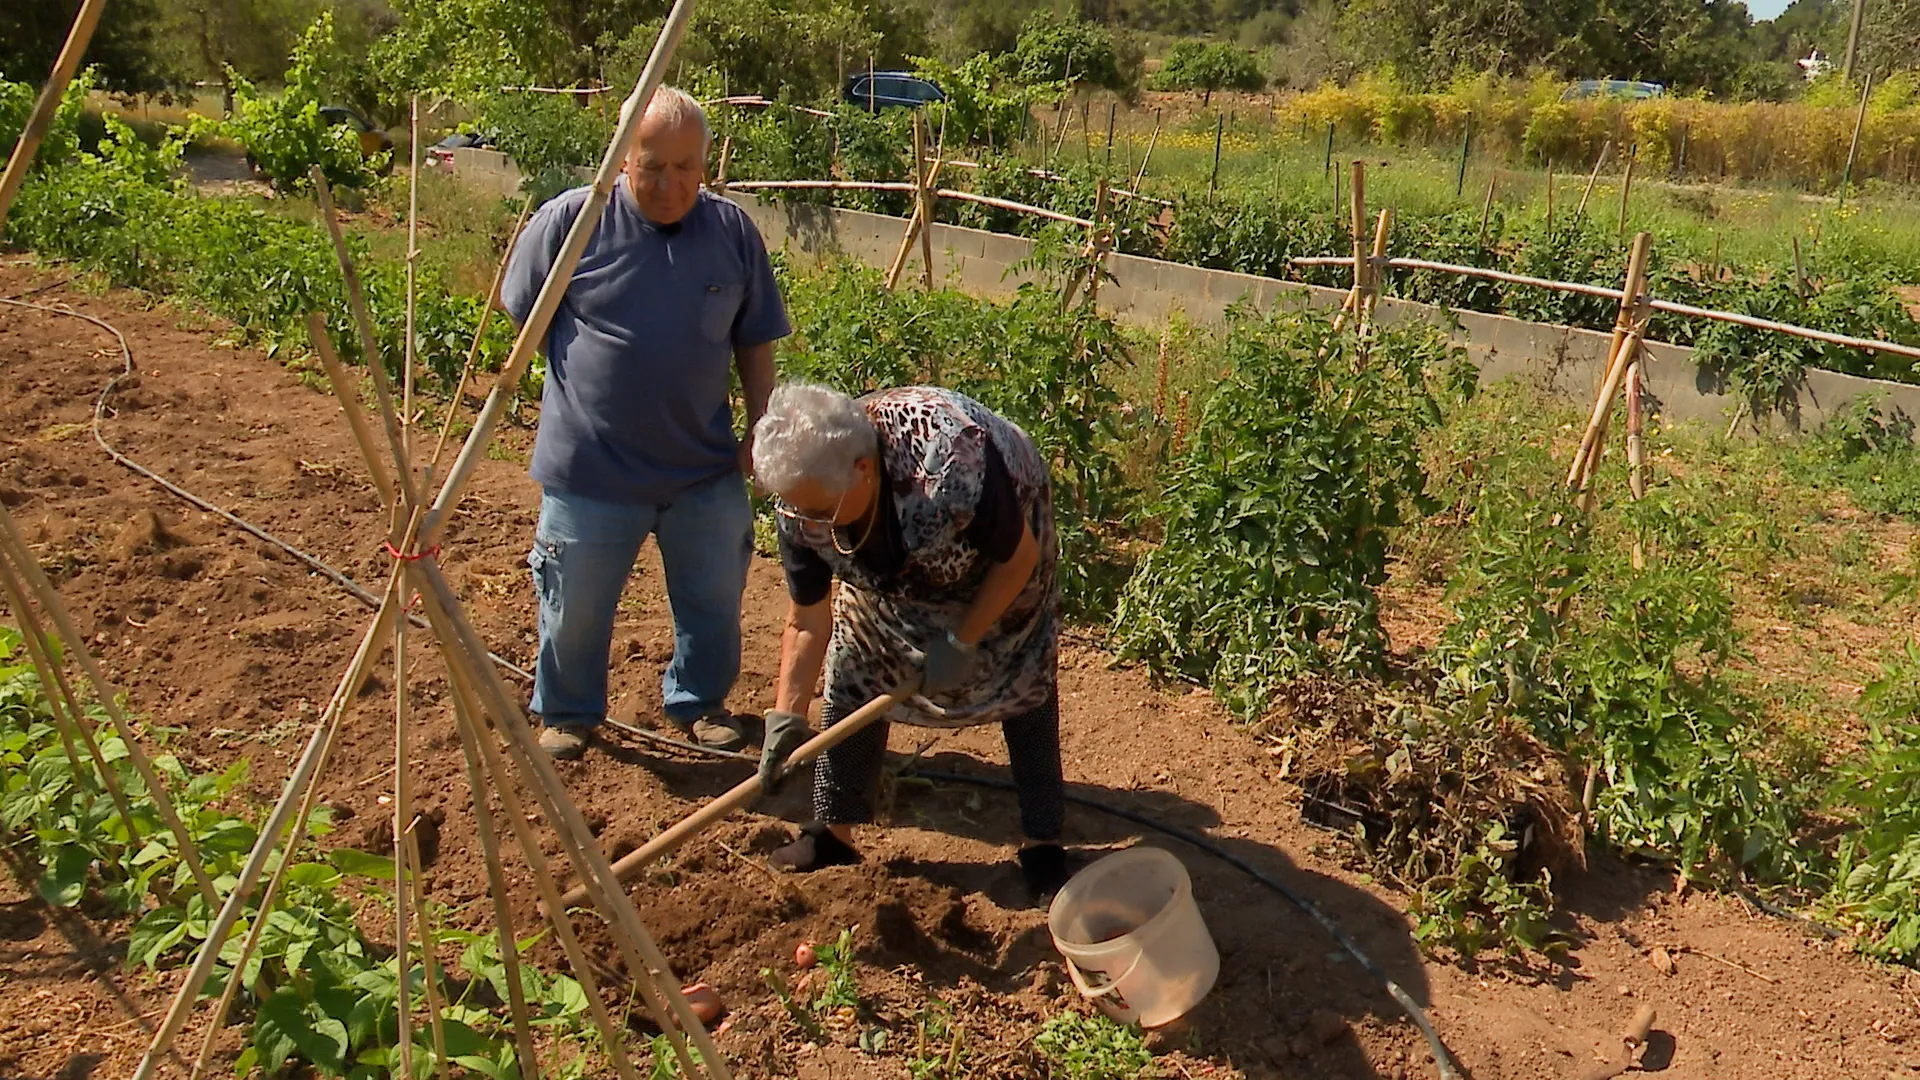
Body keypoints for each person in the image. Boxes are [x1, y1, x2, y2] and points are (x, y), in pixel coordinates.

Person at [501, 87, 790, 760]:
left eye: (686, 167)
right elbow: (522, 315)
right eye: (653, 165)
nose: (670, 183)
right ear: (623, 156)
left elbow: (755, 339)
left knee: (715, 596)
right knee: (573, 605)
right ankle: (569, 711)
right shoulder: (572, 221)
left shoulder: (731, 233)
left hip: (701, 465)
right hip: (591, 468)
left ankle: (700, 701)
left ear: (705, 165)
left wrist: (760, 425)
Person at [750, 382, 1070, 895]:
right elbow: (807, 619)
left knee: (1020, 671)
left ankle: (1043, 840)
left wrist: (964, 640)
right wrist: (787, 715)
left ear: (864, 469)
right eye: (799, 511)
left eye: (822, 512)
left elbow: (1018, 560)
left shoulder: (950, 465)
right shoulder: (802, 498)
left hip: (999, 550)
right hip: (890, 569)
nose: (809, 523)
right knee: (854, 663)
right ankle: (834, 830)